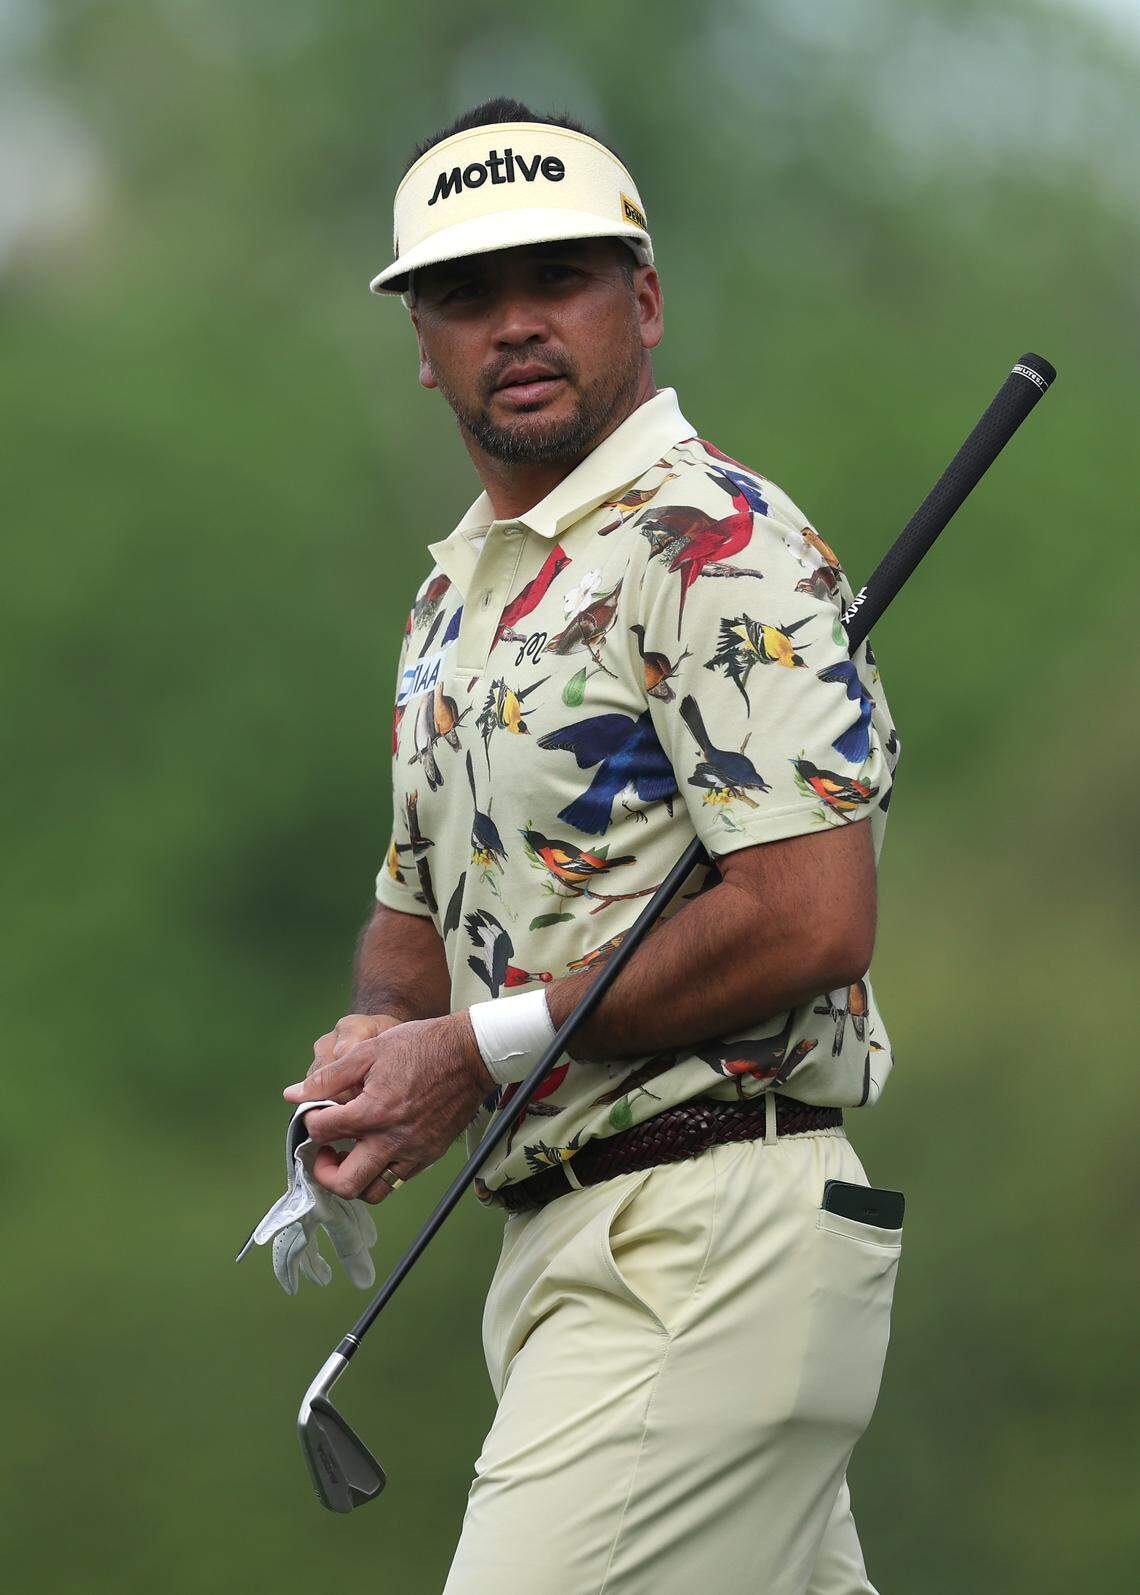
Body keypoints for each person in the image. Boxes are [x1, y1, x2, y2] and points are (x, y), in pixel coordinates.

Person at [283, 96, 905, 1595]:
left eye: (556, 279)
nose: (515, 324)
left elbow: (808, 917)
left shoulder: (716, 541)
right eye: (465, 295)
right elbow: (413, 916)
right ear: (420, 342)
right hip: (575, 1254)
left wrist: (474, 1053)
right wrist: (378, 1041)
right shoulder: (456, 600)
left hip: (704, 1240)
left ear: (642, 299)